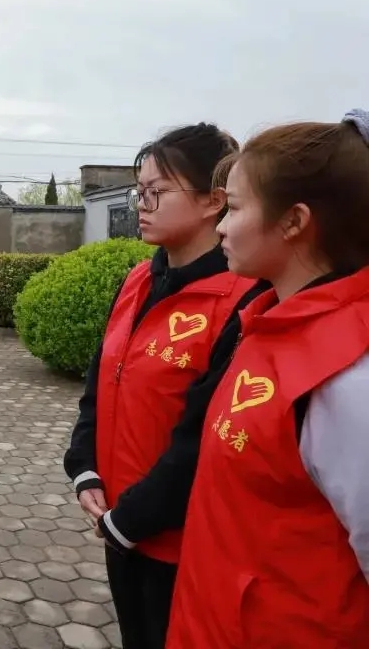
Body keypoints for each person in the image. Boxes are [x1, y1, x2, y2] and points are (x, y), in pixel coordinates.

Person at [166, 110, 369, 648]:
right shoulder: (269, 324)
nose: (221, 226)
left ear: (293, 221)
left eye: (233, 208)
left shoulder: (348, 376)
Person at [63, 123, 255, 649]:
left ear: (214, 200)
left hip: (183, 542)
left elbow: (203, 437)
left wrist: (133, 518)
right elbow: (100, 382)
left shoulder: (243, 301)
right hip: (119, 524)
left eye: (156, 192)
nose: (141, 206)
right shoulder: (136, 282)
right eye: (138, 192)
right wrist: (84, 466)